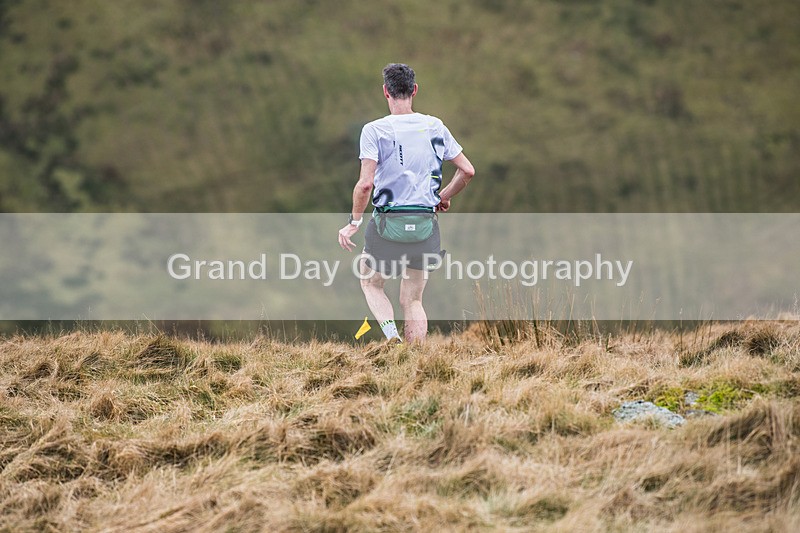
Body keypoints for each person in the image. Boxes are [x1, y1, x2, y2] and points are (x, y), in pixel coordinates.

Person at [338, 63, 475, 344]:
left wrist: (354, 222)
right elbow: (467, 171)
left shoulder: (374, 130)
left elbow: (365, 185)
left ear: (385, 91)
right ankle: (416, 358)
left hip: (388, 223)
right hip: (425, 225)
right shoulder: (435, 126)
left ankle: (392, 339)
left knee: (371, 283)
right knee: (413, 300)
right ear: (414, 90)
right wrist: (443, 197)